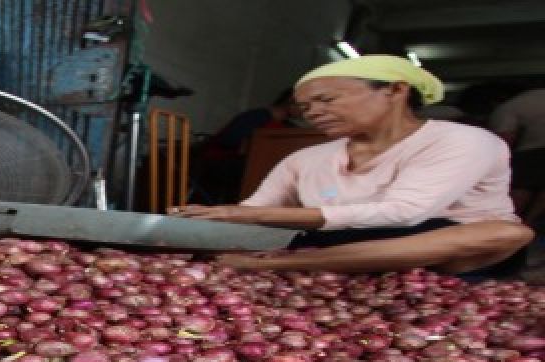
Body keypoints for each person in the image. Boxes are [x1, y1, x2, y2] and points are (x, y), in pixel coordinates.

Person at [170, 55, 534, 278]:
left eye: (326, 100)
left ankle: (280, 266)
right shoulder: (304, 158)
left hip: (444, 250)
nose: (314, 114)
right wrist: (202, 226)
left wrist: (242, 218)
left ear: (395, 91)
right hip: (347, 245)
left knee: (508, 233)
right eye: (306, 109)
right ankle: (319, 263)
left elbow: (405, 212)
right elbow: (254, 212)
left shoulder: (462, 140)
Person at [195, 89, 300, 203]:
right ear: (290, 101)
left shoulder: (289, 127)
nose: (305, 111)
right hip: (222, 162)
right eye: (302, 105)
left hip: (252, 166)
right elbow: (229, 141)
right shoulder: (257, 116)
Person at [489, 87, 545, 229]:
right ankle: (529, 222)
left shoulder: (508, 108)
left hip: (531, 152)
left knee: (520, 189)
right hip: (535, 149)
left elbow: (504, 142)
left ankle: (511, 224)